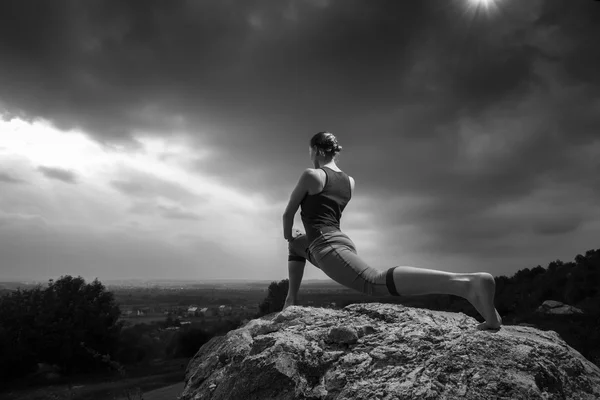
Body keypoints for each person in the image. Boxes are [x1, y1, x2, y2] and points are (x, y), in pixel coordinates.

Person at [282, 131, 502, 330]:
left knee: (373, 282)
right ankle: (290, 300)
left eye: (310, 151)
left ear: (318, 150)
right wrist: (295, 240)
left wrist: (287, 234)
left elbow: (288, 214)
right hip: (338, 241)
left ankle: (464, 284)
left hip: (326, 245)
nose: (310, 156)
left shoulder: (312, 175)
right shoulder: (349, 182)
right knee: (296, 245)